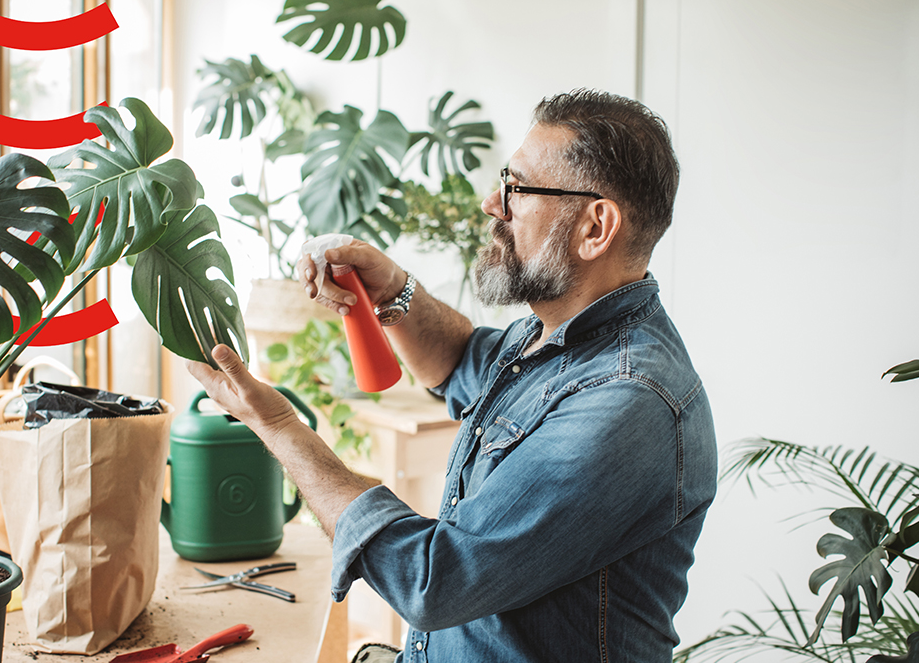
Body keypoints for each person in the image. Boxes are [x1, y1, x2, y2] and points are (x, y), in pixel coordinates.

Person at [187, 89, 717, 663]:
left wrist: (276, 423)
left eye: (517, 188)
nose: (493, 203)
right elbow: (463, 360)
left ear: (595, 227)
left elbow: (434, 579)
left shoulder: (625, 401)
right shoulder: (550, 338)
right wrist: (393, 291)